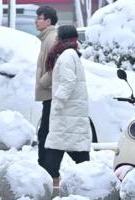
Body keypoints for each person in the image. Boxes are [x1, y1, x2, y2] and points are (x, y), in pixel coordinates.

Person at [43, 25, 91, 185]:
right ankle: (89, 178)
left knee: (57, 147)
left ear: (61, 38)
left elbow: (68, 82)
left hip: (66, 111)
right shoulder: (71, 54)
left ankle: (51, 180)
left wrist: (57, 101)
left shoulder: (66, 56)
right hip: (71, 111)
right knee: (73, 148)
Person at [34, 5, 58, 171]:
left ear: (48, 21)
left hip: (50, 92)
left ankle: (45, 166)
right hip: (48, 93)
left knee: (45, 132)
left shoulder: (51, 39)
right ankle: (46, 165)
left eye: (39, 18)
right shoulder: (46, 38)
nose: (36, 21)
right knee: (45, 131)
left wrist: (42, 82)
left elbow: (53, 67)